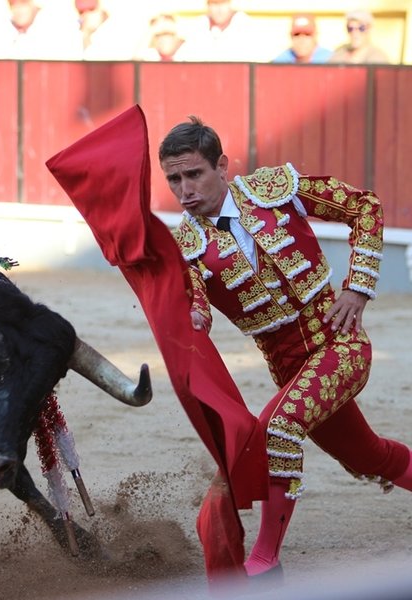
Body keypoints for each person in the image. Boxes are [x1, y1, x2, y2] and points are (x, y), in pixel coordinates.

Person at [157, 115, 412, 579]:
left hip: (342, 344)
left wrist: (358, 289)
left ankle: (265, 561)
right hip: (291, 369)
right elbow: (196, 303)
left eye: (193, 173)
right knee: (368, 456)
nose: (184, 189)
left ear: (223, 167)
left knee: (280, 427)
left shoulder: (272, 188)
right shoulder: (186, 245)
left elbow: (364, 207)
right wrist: (193, 316)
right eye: (173, 179)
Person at [179, 0, 261, 62]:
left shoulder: (246, 25)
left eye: (222, 3)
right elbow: (182, 60)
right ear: (207, 5)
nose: (219, 9)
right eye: (215, 4)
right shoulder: (198, 26)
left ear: (230, 4)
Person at [7, 0, 82, 60]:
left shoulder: (51, 25)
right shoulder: (10, 30)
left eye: (23, 3)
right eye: (13, 5)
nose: (18, 10)